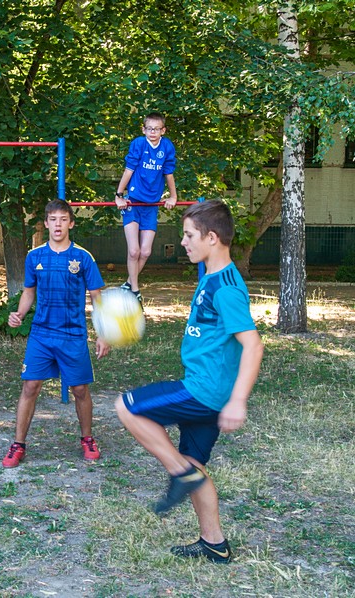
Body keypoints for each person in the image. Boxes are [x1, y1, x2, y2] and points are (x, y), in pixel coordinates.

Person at [116, 200, 263, 562]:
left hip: (204, 390)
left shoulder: (224, 288)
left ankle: (180, 473)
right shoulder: (212, 277)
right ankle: (215, 544)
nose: (183, 242)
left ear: (212, 238)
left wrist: (238, 401)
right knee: (196, 465)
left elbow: (253, 346)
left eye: (188, 235)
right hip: (208, 388)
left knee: (127, 407)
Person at [2, 199, 110, 468]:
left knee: (80, 389)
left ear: (71, 223)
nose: (58, 224)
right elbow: (29, 292)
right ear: (46, 223)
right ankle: (18, 445)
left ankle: (87, 439)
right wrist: (19, 314)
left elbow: (97, 297)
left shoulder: (83, 258)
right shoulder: (34, 256)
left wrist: (103, 333)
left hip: (73, 335)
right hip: (41, 334)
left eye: (63, 219)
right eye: (53, 219)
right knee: (30, 386)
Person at [114, 112, 178, 303]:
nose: (153, 132)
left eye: (157, 129)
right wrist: (119, 195)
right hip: (133, 201)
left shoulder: (166, 147)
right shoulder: (139, 144)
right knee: (134, 251)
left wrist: (173, 196)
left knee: (146, 252)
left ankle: (128, 283)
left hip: (151, 204)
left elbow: (169, 173)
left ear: (163, 130)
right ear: (144, 129)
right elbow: (129, 169)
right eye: (149, 128)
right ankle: (135, 290)